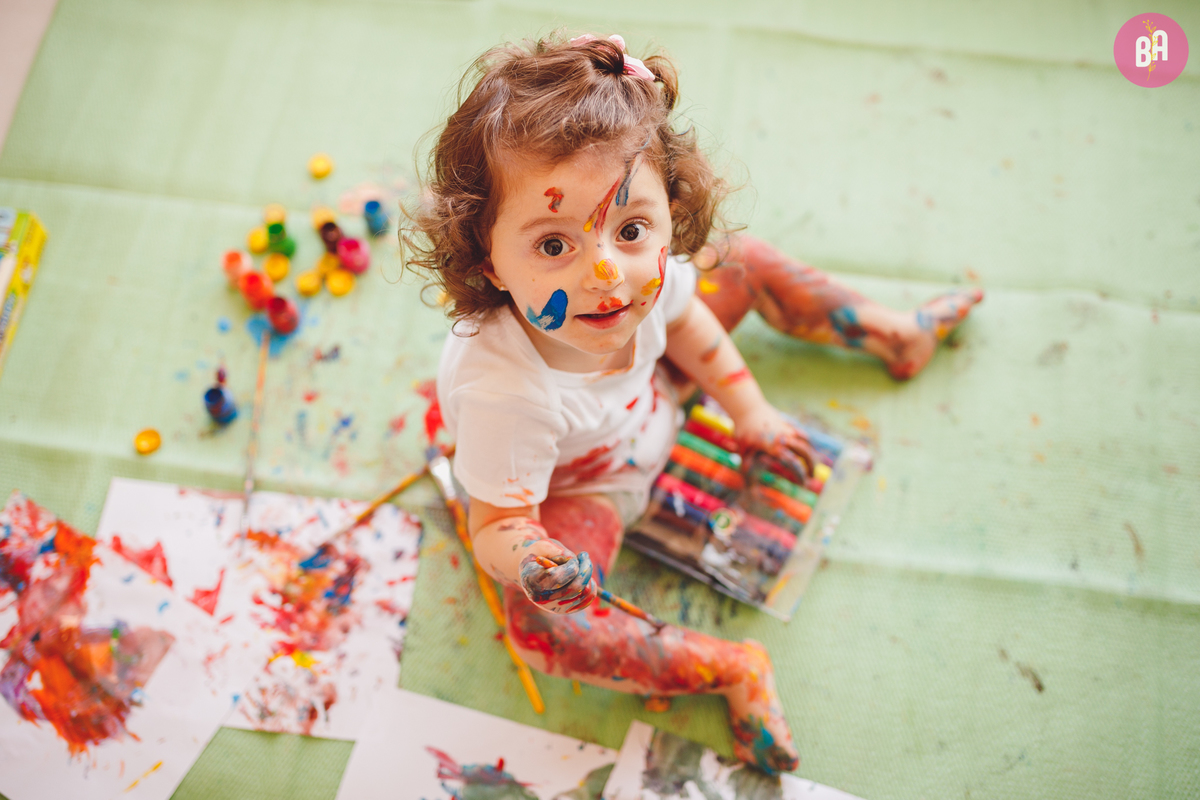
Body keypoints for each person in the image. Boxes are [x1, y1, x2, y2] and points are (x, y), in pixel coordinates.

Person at [405, 32, 982, 774]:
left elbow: (684, 321)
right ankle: (733, 668)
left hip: (655, 393)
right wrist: (538, 557)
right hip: (592, 483)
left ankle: (894, 335)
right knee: (548, 633)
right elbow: (496, 527)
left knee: (740, 261)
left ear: (668, 212)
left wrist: (751, 413)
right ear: (489, 260)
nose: (606, 273)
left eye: (632, 227)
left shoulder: (645, 275)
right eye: (553, 246)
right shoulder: (501, 395)